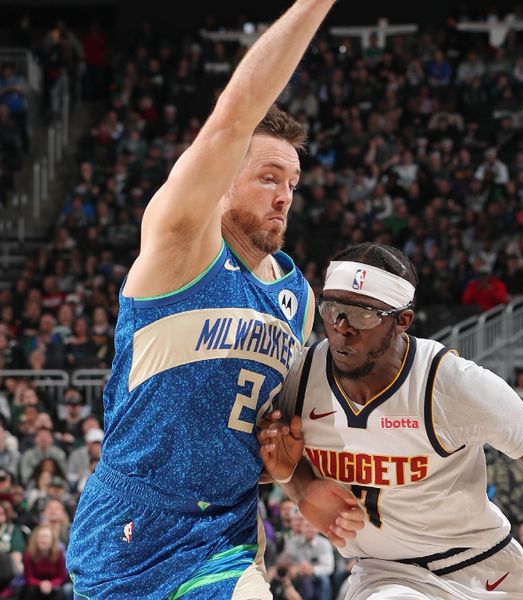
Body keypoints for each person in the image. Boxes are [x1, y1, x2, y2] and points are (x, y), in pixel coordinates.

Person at [67, 2, 364, 598]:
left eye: (292, 185)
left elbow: (271, 434)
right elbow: (232, 120)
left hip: (225, 535)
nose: (284, 196)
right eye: (267, 177)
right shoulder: (180, 241)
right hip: (129, 526)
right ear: (224, 176)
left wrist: (303, 486)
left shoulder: (296, 296)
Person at [262, 243, 523, 599]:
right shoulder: (299, 376)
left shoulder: (456, 387)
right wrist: (296, 484)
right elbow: (257, 461)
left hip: (485, 572)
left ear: (402, 321)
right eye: (333, 308)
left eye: (363, 314)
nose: (340, 327)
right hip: (385, 576)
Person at [22, 525, 68, 600]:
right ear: (35, 539)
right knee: (30, 591)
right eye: (41, 537)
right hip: (35, 587)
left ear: (52, 540)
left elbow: (61, 577)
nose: (43, 540)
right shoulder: (28, 555)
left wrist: (50, 584)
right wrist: (41, 584)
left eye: (46, 537)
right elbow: (28, 578)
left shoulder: (59, 554)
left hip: (54, 587)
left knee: (59, 591)